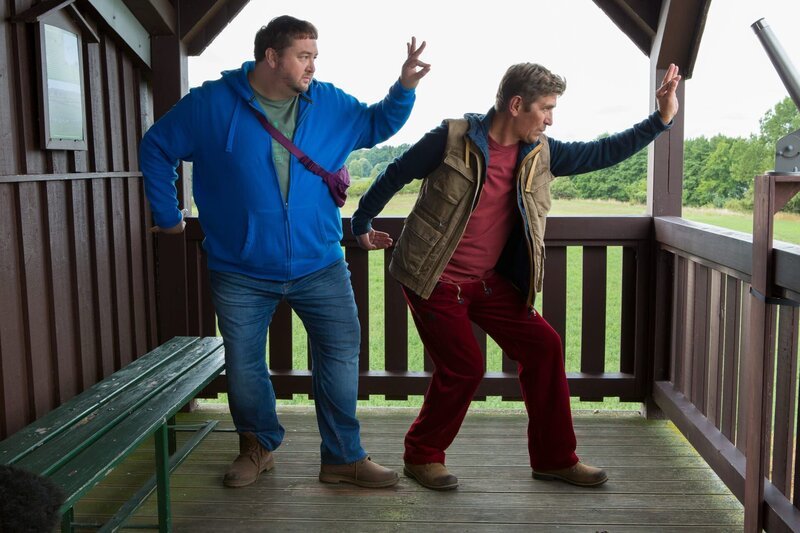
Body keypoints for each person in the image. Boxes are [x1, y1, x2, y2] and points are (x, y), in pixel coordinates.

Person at [352, 62, 681, 490]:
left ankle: (555, 459)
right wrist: (361, 222)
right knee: (465, 367)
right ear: (516, 104)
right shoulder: (451, 139)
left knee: (544, 347)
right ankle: (422, 455)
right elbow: (395, 173)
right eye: (546, 108)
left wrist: (661, 119)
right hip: (434, 279)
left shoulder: (542, 153)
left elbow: (603, 152)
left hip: (488, 282)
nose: (550, 119)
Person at [139, 15, 430, 489]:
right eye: (304, 56)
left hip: (320, 264)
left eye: (315, 56)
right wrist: (169, 215)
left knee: (339, 355)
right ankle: (257, 447)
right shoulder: (211, 104)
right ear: (272, 57)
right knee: (245, 365)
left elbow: (377, 123)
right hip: (239, 269)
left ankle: (342, 457)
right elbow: (156, 146)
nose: (312, 65)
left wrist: (404, 87)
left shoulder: (328, 101)